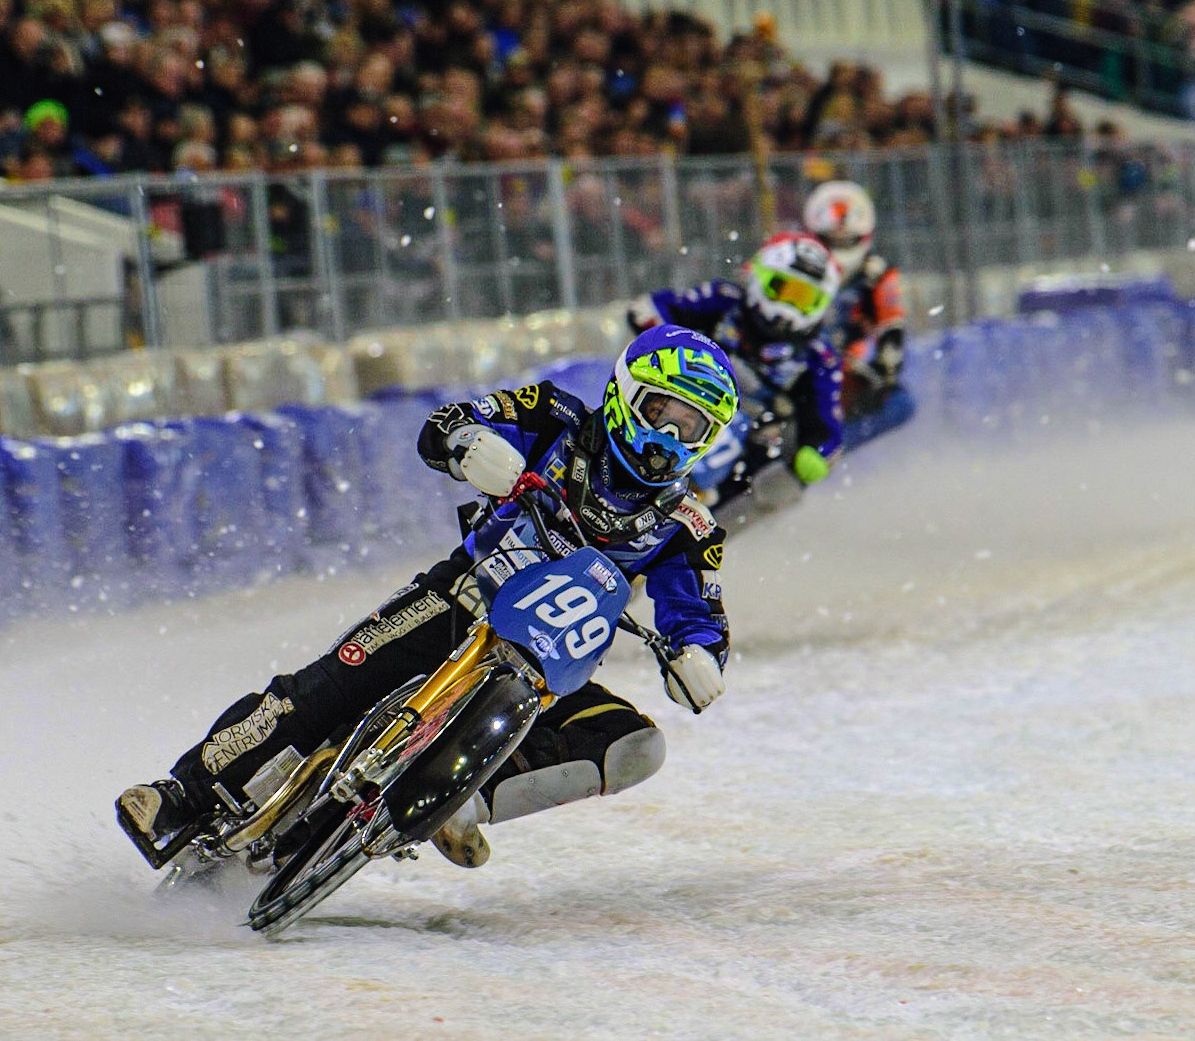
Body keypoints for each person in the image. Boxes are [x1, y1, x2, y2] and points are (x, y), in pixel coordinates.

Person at [117, 325, 739, 871]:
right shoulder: (556, 417)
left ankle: (462, 801)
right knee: (327, 685)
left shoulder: (690, 526)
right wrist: (467, 445)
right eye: (662, 412)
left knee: (635, 746)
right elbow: (448, 422)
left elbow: (700, 616)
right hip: (461, 598)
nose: (669, 437)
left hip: (549, 668)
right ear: (626, 393)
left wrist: (700, 656)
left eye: (692, 428)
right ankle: (180, 795)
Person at [631, 234, 845, 510]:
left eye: (803, 298)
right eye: (782, 289)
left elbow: (827, 430)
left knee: (766, 444)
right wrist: (672, 349)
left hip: (750, 435)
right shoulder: (725, 299)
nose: (789, 307)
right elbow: (653, 309)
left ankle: (691, 501)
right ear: (760, 277)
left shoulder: (819, 356)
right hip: (687, 392)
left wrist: (814, 453)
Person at [804, 181, 913, 436]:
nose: (840, 245)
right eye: (833, 239)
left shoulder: (878, 275)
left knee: (898, 402)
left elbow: (892, 328)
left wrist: (881, 372)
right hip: (795, 362)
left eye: (848, 240)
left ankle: (830, 448)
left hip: (843, 372)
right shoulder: (796, 262)